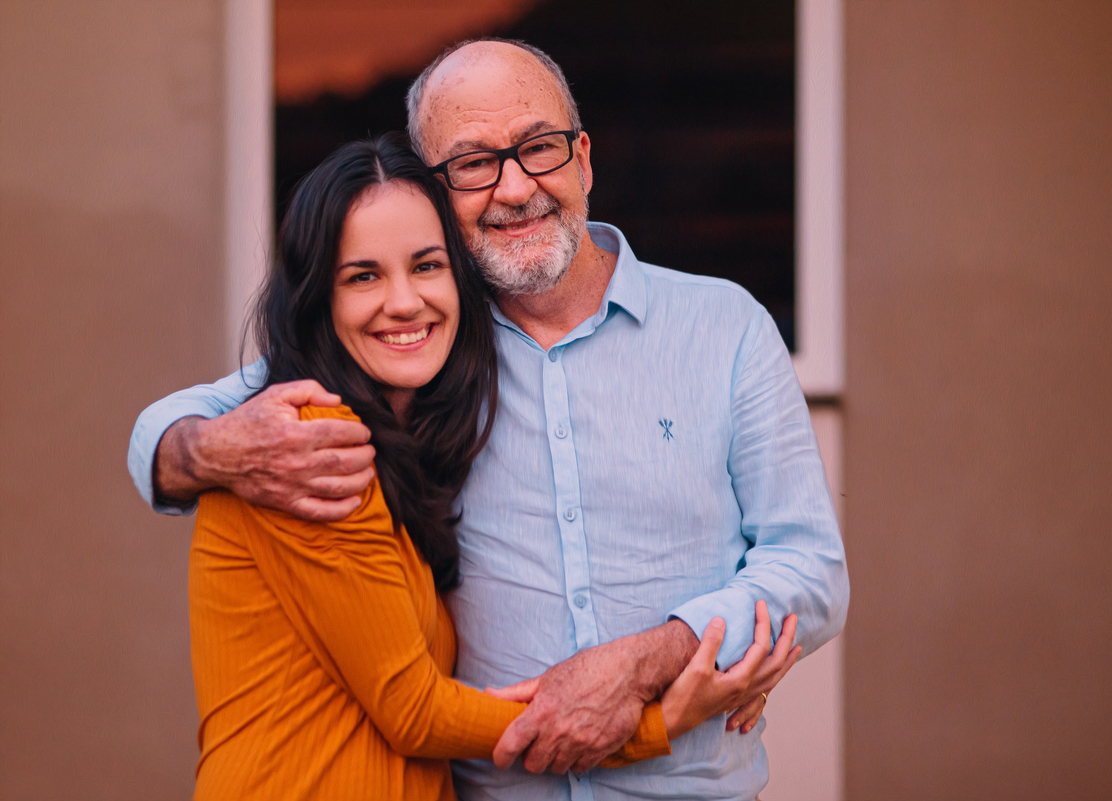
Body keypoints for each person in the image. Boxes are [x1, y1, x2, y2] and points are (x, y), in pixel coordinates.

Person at [128, 39, 849, 800]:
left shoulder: (724, 327)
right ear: (434, 193)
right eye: (474, 163)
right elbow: (200, 416)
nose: (514, 187)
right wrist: (208, 450)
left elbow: (809, 568)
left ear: (583, 160)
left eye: (538, 148)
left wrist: (663, 656)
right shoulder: (420, 343)